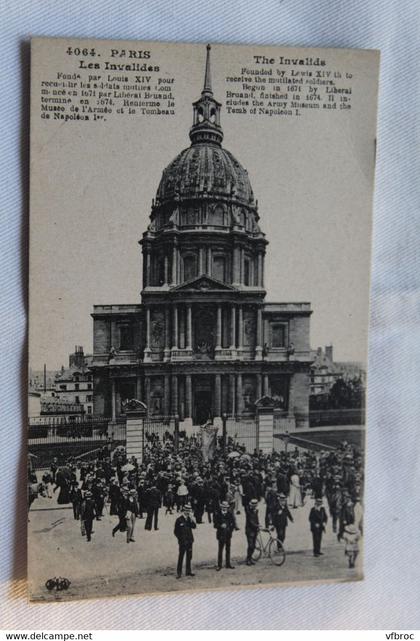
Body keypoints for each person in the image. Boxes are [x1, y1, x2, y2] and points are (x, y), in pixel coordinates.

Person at [174, 503, 196, 579]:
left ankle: (188, 571)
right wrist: (180, 539)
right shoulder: (179, 520)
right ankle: (179, 572)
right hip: (183, 541)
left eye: (189, 511)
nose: (187, 512)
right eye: (186, 510)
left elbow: (194, 527)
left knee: (189, 556)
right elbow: (176, 532)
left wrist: (192, 519)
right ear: (183, 511)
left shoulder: (189, 519)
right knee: (181, 556)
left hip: (190, 540)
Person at [213, 501, 236, 570]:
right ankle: (219, 565)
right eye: (223, 507)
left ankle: (228, 564)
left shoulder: (230, 514)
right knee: (220, 550)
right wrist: (220, 526)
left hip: (228, 534)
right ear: (221, 507)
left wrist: (230, 529)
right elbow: (215, 525)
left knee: (228, 549)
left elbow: (233, 523)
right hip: (221, 534)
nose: (225, 508)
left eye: (226, 507)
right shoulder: (218, 514)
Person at [245, 498, 260, 566]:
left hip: (255, 530)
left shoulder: (256, 511)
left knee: (253, 546)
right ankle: (248, 559)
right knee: (250, 545)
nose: (255, 506)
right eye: (253, 505)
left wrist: (258, 525)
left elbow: (256, 519)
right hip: (249, 530)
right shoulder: (248, 511)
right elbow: (250, 521)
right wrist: (257, 525)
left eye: (255, 505)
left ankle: (250, 558)